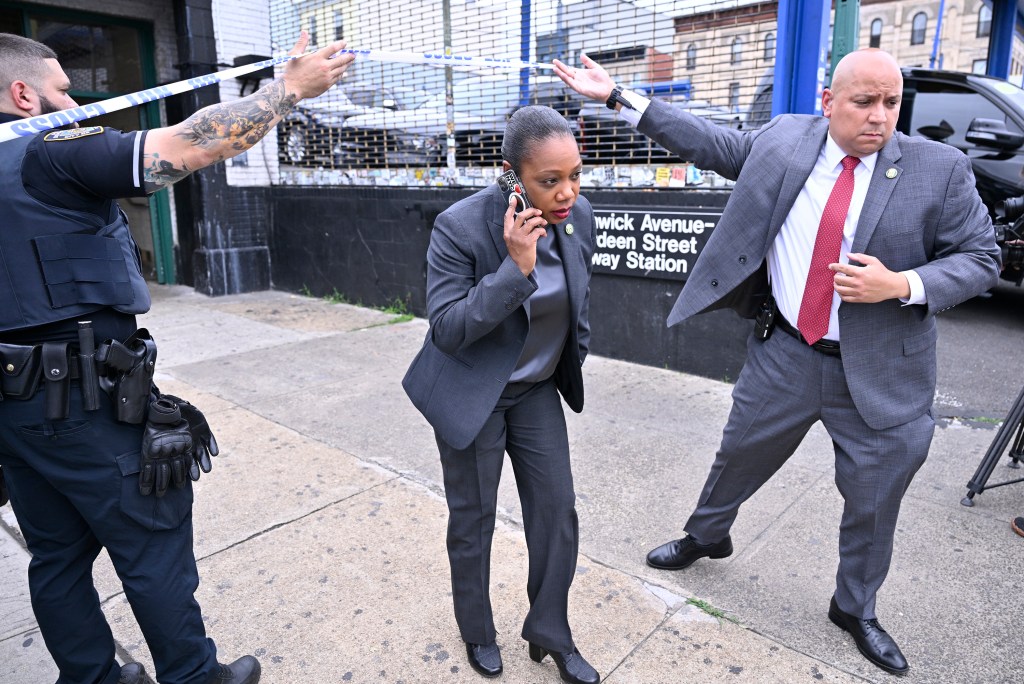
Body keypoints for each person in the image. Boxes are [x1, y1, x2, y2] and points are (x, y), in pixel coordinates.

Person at [554, 48, 1000, 676]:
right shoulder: (788, 139)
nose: (879, 117)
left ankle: (854, 608)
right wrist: (616, 98)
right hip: (786, 351)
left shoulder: (940, 170)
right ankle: (708, 535)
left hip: (881, 372)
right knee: (738, 452)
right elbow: (711, 143)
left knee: (875, 500)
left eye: (891, 103)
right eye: (863, 102)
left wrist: (901, 284)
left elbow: (982, 258)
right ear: (827, 101)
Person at [0, 32, 353, 684]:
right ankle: (195, 676)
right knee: (151, 544)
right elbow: (193, 143)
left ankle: (92, 678)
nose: (73, 103)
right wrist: (290, 89)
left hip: (15, 414)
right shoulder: (47, 155)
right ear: (24, 96)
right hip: (83, 403)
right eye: (62, 91)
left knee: (54, 555)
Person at [402, 106, 599, 684]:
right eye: (550, 180)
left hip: (535, 389)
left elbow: (579, 300)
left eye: (575, 175)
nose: (567, 193)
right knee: (474, 518)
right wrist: (515, 268)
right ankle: (477, 630)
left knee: (556, 512)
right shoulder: (459, 227)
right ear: (510, 173)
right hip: (473, 392)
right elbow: (447, 327)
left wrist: (571, 358)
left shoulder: (577, 215)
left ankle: (550, 632)